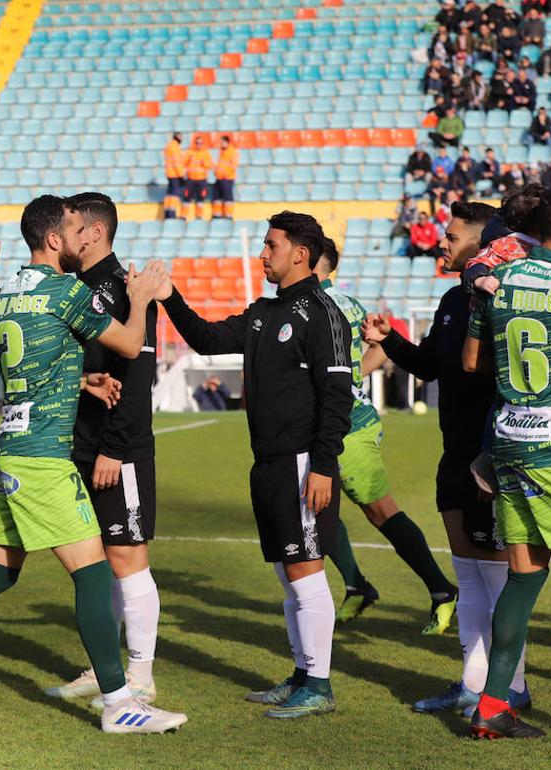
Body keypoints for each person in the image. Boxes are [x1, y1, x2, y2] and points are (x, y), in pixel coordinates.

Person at [0, 194, 185, 734]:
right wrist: (142, 298)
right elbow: (127, 342)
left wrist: (80, 381)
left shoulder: (9, 296)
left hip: (9, 446)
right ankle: (120, 702)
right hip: (42, 458)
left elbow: (32, 361)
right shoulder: (65, 291)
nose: (83, 239)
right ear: (55, 239)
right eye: (76, 231)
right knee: (95, 574)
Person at [156, 211, 353, 719]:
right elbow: (206, 338)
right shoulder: (265, 312)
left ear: (300, 254)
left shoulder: (323, 314)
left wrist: (324, 467)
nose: (262, 254)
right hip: (266, 463)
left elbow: (336, 398)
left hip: (302, 461)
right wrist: (169, 296)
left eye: (271, 245)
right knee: (289, 576)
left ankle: (321, 686)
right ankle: (302, 674)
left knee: (306, 573)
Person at [367, 201, 528, 716]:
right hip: (452, 454)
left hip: (490, 454)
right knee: (469, 575)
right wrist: (389, 339)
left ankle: (511, 685)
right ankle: (471, 683)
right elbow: (431, 368)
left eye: (453, 235)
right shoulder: (448, 300)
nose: (442, 241)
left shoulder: (503, 303)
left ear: (483, 246)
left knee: (498, 576)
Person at [24, 193, 175, 715]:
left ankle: (141, 676)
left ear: (91, 232)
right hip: (79, 445)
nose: (63, 231)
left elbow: (137, 375)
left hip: (119, 448)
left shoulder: (122, 287)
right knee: (102, 560)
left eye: (70, 224)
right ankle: (107, 667)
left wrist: (113, 447)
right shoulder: (77, 287)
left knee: (127, 557)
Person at [314, 239, 460, 631]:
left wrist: (347, 380)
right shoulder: (347, 304)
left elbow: (378, 348)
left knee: (380, 511)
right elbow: (377, 350)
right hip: (326, 425)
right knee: (314, 508)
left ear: (313, 261)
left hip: (348, 426)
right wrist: (355, 373)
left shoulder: (324, 306)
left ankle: (441, 589)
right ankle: (357, 585)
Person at [462, 186, 551, 740]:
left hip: (510, 438)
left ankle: (493, 704)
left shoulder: (500, 280)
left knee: (524, 576)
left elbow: (472, 360)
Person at [182, 135, 213, 220]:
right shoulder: (190, 152)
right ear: (195, 144)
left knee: (200, 198)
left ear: (203, 144)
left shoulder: (206, 153)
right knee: (186, 197)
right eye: (197, 143)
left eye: (200, 143)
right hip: (190, 179)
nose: (198, 145)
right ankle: (184, 216)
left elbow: (210, 165)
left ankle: (199, 216)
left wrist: (204, 163)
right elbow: (183, 163)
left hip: (201, 179)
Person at [212, 135, 238, 220]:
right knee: (217, 198)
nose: (221, 144)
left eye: (222, 142)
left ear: (227, 142)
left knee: (227, 198)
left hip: (227, 179)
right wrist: (216, 172)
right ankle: (217, 215)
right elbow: (219, 164)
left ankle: (228, 216)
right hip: (219, 178)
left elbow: (233, 167)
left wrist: (223, 174)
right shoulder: (221, 151)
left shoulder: (232, 152)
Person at [161, 133, 186, 220]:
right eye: (181, 137)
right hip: (175, 174)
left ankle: (167, 213)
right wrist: (181, 176)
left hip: (170, 173)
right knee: (175, 195)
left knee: (169, 194)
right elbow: (177, 163)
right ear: (178, 137)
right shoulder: (175, 147)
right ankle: (172, 214)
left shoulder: (169, 145)